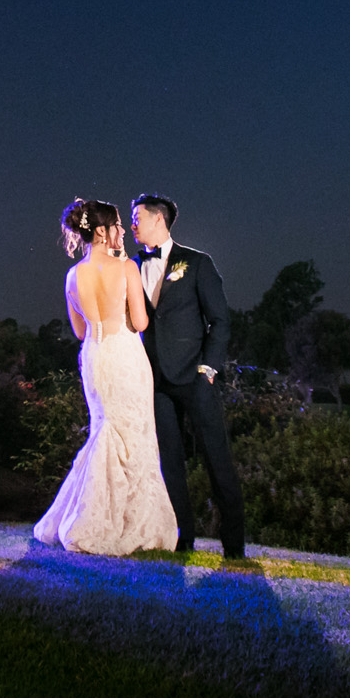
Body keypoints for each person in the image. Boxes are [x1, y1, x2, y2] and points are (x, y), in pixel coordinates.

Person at [33, 198, 179, 556]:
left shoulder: (72, 276)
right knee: (135, 434)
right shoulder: (126, 267)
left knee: (104, 430)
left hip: (95, 359)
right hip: (126, 355)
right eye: (115, 225)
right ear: (100, 230)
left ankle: (90, 517)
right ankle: (132, 525)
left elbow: (81, 332)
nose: (120, 231)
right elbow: (141, 322)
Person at [131, 192, 249, 558]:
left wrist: (208, 369)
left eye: (137, 218)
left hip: (196, 378)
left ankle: (233, 545)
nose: (132, 225)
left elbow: (220, 321)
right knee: (170, 460)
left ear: (158, 220)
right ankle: (183, 536)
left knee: (216, 458)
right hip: (156, 380)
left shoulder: (197, 263)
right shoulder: (132, 266)